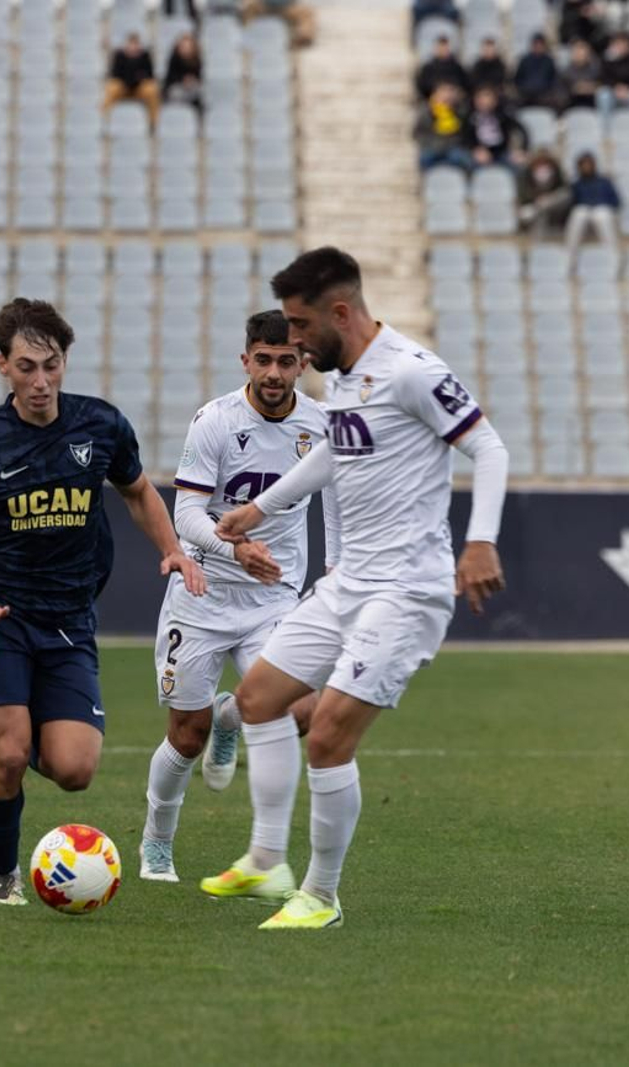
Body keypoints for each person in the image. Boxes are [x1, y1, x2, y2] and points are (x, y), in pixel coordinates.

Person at [199, 247, 509, 930]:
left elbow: (489, 448)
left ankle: (322, 894)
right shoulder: (344, 379)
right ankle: (266, 859)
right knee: (256, 698)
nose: (295, 343)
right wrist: (261, 508)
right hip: (352, 583)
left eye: (302, 327)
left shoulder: (412, 372)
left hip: (407, 590)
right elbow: (335, 456)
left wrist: (480, 539)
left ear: (341, 312)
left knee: (330, 733)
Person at [0, 298, 206, 906]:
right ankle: (2, 876)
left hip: (70, 621)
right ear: (2, 366)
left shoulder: (100, 425)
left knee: (75, 771)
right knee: (6, 757)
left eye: (51, 366)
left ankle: (25, 726)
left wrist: (172, 549)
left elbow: (138, 492)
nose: (41, 382)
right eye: (27, 367)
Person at [138, 310, 338, 882]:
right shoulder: (216, 422)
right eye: (263, 360)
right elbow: (187, 516)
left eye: (286, 361)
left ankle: (236, 714)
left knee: (302, 709)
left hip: (273, 601)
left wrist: (334, 571)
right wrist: (236, 552)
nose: (274, 373)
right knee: (186, 736)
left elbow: (338, 502)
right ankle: (158, 840)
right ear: (245, 360)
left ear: (301, 363)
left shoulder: (322, 427)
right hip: (202, 595)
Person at [461, 86, 527, 172]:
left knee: (517, 165)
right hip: (479, 153)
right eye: (480, 97)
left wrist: (520, 149)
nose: (483, 101)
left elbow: (519, 131)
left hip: (502, 152)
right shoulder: (470, 118)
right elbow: (464, 138)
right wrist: (474, 149)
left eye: (487, 97)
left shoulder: (503, 116)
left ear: (495, 100)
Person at [565, 151, 622, 250]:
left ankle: (611, 253)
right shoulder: (576, 184)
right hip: (584, 211)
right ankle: (570, 254)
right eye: (584, 165)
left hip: (602, 209)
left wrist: (606, 206)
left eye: (588, 164)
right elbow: (572, 202)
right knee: (578, 214)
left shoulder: (605, 181)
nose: (586, 167)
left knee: (602, 216)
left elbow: (616, 201)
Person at [103, 32, 160, 127]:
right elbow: (115, 75)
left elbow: (150, 76)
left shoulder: (145, 56)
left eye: (136, 44)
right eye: (131, 44)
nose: (133, 47)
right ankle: (105, 121)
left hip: (139, 89)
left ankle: (153, 123)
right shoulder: (119, 56)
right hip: (123, 88)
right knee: (111, 87)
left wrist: (135, 77)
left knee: (152, 89)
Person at [414, 83, 469, 171]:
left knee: (462, 158)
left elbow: (463, 132)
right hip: (432, 147)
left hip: (452, 147)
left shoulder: (458, 110)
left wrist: (454, 108)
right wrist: (431, 144)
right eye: (443, 92)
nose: (446, 96)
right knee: (425, 158)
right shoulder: (427, 112)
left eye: (449, 92)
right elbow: (418, 133)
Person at [517, 149, 569, 238]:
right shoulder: (526, 173)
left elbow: (563, 188)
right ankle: (538, 245)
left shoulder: (556, 171)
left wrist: (547, 197)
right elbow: (524, 192)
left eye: (545, 161)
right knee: (537, 212)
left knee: (564, 195)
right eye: (540, 160)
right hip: (535, 205)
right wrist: (536, 198)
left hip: (553, 205)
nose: (542, 163)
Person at [596, 33, 629, 119]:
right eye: (617, 44)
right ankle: (605, 129)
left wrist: (628, 88)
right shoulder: (607, 60)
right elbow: (603, 78)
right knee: (603, 95)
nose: (619, 46)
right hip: (613, 90)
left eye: (622, 44)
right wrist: (615, 87)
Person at [513, 33, 563, 110]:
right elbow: (517, 79)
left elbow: (554, 80)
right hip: (526, 94)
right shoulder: (525, 60)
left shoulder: (549, 61)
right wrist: (523, 89)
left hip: (544, 95)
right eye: (536, 44)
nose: (538, 46)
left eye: (540, 44)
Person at [415, 35, 470, 101]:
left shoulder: (456, 67)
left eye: (445, 46)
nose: (443, 49)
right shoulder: (429, 67)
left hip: (454, 103)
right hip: (434, 103)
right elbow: (422, 85)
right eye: (441, 46)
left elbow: (465, 84)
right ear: (436, 48)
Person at [162, 32, 203, 112]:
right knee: (176, 93)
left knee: (199, 91)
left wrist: (192, 80)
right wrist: (182, 80)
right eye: (184, 46)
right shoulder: (174, 59)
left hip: (192, 88)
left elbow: (199, 76)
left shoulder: (196, 60)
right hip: (176, 87)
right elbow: (169, 78)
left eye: (188, 47)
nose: (186, 49)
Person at [561, 38, 603, 111]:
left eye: (582, 49)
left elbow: (601, 83)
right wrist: (576, 88)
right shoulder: (567, 70)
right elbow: (564, 89)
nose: (579, 53)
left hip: (593, 104)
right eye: (576, 49)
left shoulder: (595, 67)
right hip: (572, 105)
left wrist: (590, 87)